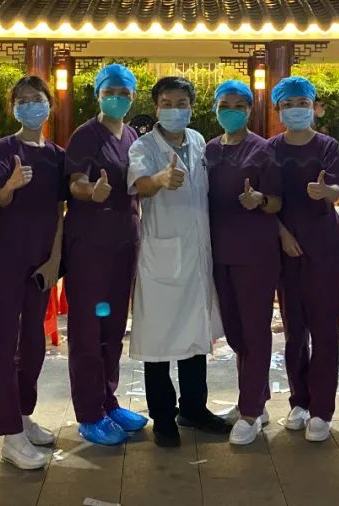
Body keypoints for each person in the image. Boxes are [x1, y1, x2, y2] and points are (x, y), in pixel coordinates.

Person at [128, 76, 231, 447]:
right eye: (167, 104)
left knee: (194, 337)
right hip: (162, 255)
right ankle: (163, 417)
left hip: (197, 256)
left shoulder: (199, 141)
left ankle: (194, 408)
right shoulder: (142, 145)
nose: (174, 110)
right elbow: (140, 184)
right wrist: (159, 179)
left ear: (191, 107)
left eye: (181, 103)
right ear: (156, 108)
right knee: (158, 341)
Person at [64, 64, 148, 445]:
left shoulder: (132, 136)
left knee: (113, 328)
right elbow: (75, 182)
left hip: (123, 245)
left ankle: (108, 401)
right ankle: (89, 413)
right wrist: (90, 192)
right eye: (110, 92)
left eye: (124, 93)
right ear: (98, 94)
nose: (117, 98)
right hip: (90, 248)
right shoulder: (86, 136)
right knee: (88, 330)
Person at [0, 75, 65, 469]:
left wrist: (54, 261)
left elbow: (61, 210)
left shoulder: (57, 155)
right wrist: (11, 185)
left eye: (37, 98)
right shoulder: (4, 148)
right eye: (23, 100)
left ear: (49, 104)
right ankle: (9, 435)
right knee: (3, 343)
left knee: (33, 343)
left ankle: (23, 414)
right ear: (13, 107)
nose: (31, 105)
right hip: (5, 258)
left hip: (41, 263)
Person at [205, 79, 283, 446]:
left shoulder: (263, 151)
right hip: (219, 253)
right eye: (225, 105)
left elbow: (277, 202)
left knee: (254, 331)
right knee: (235, 333)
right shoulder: (208, 150)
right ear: (215, 109)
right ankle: (256, 399)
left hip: (255, 254)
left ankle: (250, 411)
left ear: (250, 109)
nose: (231, 111)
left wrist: (260, 201)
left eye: (239, 105)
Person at [268, 76, 339, 443]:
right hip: (287, 249)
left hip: (324, 249)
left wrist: (325, 191)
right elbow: (267, 200)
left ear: (314, 106)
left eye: (302, 103)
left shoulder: (327, 146)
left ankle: (322, 409)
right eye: (288, 104)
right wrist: (282, 235)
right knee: (294, 331)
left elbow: (337, 188)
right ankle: (299, 401)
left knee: (325, 330)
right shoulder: (271, 149)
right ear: (278, 109)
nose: (295, 109)